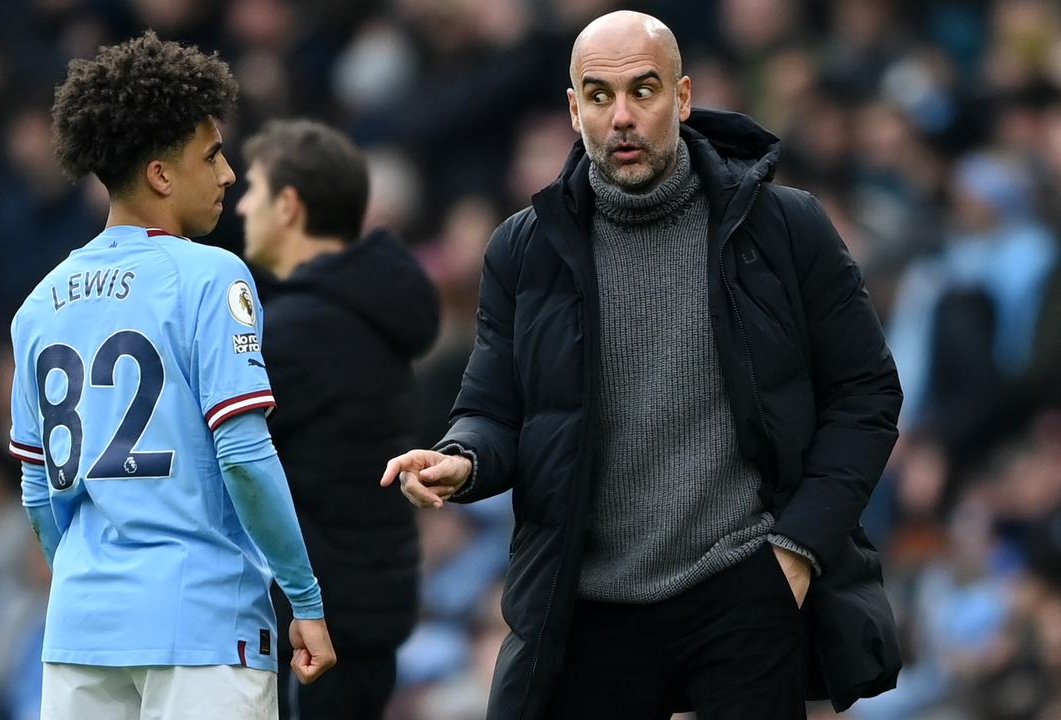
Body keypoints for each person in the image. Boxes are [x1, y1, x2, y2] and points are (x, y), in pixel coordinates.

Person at [382, 11, 903, 720]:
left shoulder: (786, 228)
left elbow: (866, 394)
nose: (621, 116)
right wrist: (462, 460)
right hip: (590, 603)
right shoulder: (522, 250)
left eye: (644, 91)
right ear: (574, 110)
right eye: (598, 96)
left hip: (745, 585)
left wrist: (798, 551)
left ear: (683, 98)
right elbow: (493, 411)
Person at [8, 32, 335, 720]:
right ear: (161, 174)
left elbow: (39, 493)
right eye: (211, 155)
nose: (228, 175)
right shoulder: (211, 275)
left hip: (79, 630)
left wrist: (98, 581)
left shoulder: (38, 304)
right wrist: (304, 598)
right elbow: (244, 456)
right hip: (202, 622)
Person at [236, 119, 439, 719]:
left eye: (254, 188)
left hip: (318, 621)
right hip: (367, 603)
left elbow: (224, 455)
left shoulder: (300, 331)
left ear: (289, 206)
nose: (242, 204)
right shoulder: (362, 310)